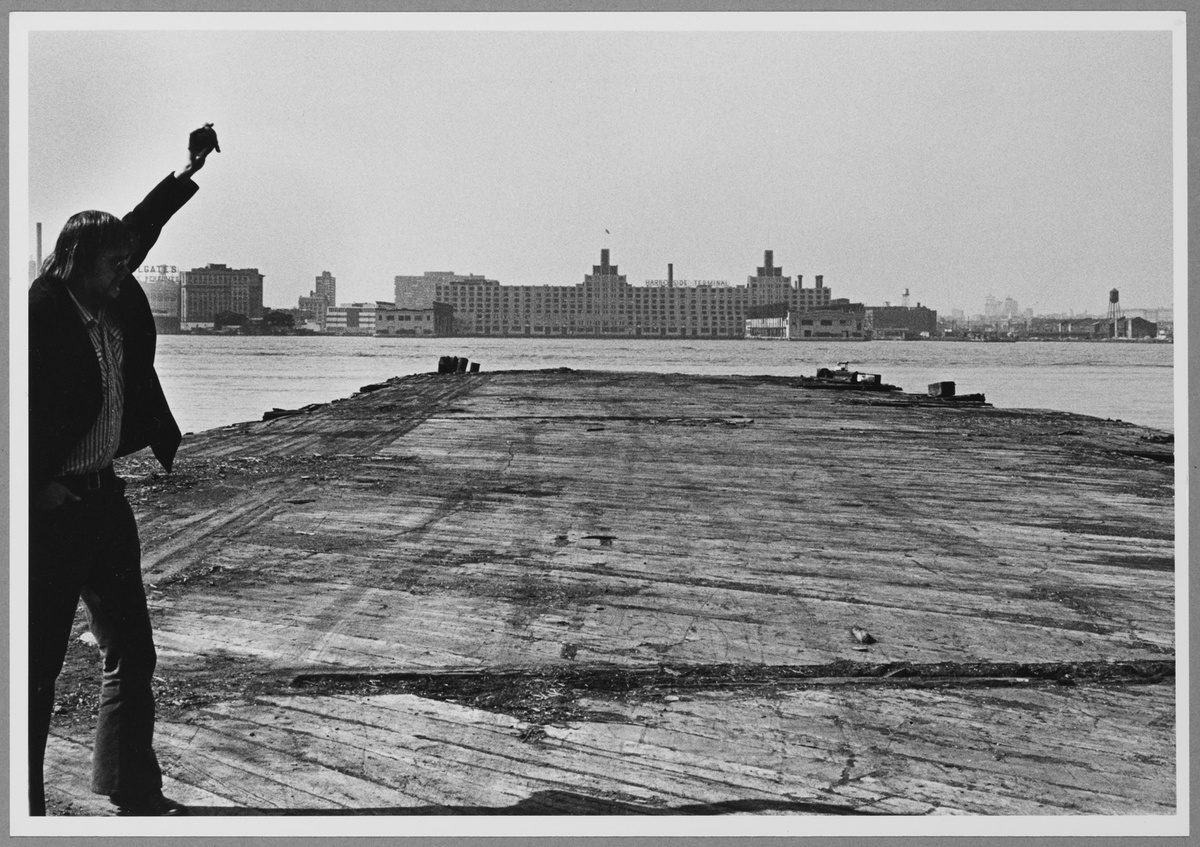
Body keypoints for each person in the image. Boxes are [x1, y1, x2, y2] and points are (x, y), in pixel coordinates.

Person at [28, 124, 220, 817]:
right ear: (75, 260)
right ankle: (23, 806)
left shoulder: (112, 301)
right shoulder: (38, 314)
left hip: (105, 502)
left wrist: (188, 170)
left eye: (126, 260)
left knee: (132, 650)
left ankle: (131, 786)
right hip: (49, 512)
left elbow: (142, 224)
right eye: (114, 262)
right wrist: (31, 485)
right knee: (35, 666)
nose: (126, 270)